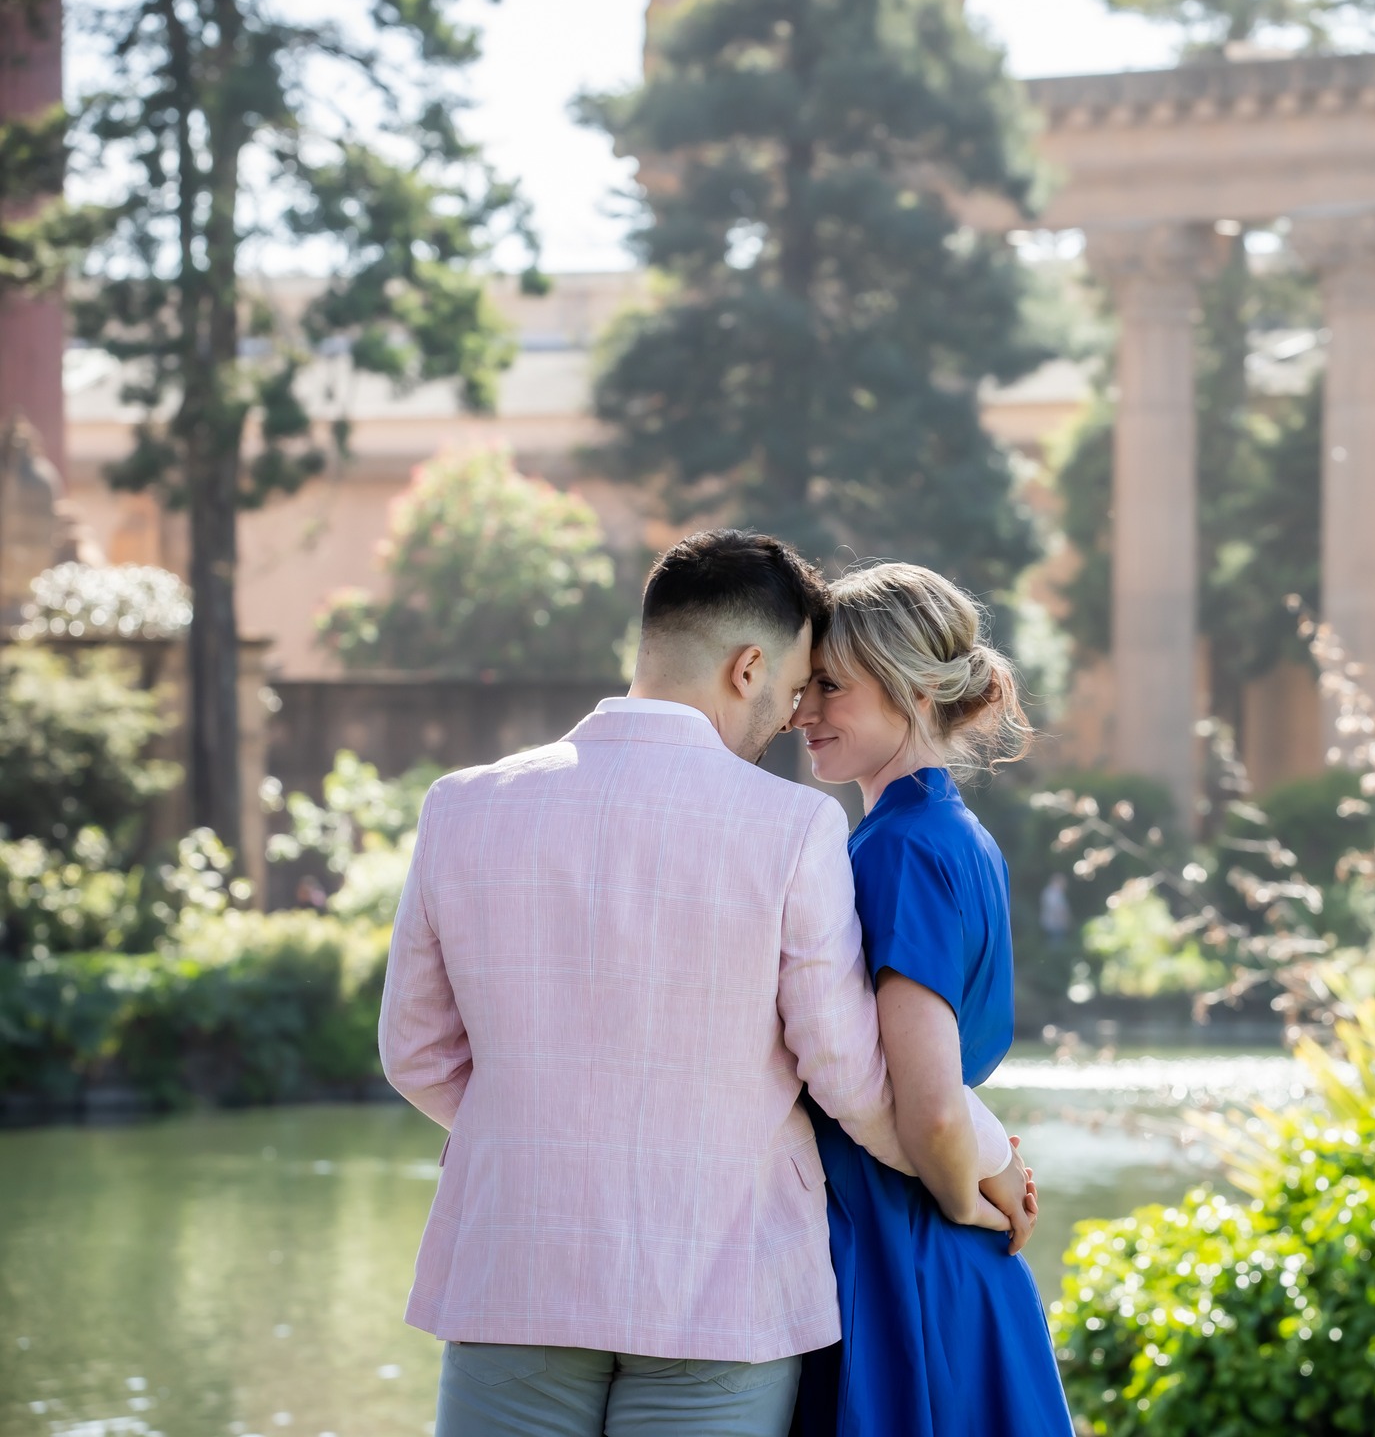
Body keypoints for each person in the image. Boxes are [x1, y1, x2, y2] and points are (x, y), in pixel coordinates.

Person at [378, 530, 1032, 1437]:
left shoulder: (462, 805)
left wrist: (550, 1137)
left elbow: (415, 1055)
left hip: (513, 1271)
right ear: (747, 667)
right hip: (723, 1288)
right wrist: (986, 1162)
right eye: (797, 686)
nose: (794, 715)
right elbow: (849, 1076)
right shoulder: (793, 827)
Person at [787, 562, 1071, 1437]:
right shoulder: (955, 834)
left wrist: (960, 1200)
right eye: (803, 687)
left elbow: (934, 1103)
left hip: (903, 1252)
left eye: (830, 687)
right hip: (942, 1250)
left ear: (913, 690)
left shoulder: (899, 850)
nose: (801, 713)